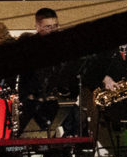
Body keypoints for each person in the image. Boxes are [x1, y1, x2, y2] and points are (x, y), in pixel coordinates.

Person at [20, 7, 84, 136]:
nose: (53, 30)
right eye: (48, 27)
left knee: (79, 119)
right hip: (35, 101)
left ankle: (70, 153)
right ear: (37, 27)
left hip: (58, 99)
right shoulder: (29, 47)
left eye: (55, 26)